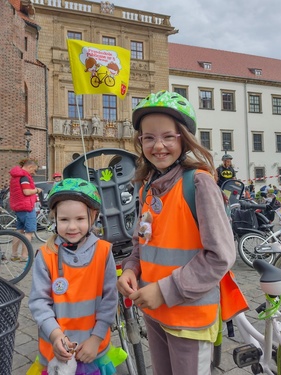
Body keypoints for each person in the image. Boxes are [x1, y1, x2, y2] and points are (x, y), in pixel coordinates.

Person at [117, 90, 238, 375]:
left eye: (168, 136)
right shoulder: (147, 186)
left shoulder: (198, 184)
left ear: (183, 138)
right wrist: (131, 269)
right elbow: (142, 241)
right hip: (154, 312)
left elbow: (220, 256)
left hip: (189, 317)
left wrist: (164, 290)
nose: (158, 145)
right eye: (149, 137)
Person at [28, 178, 118, 373]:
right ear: (54, 219)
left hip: (92, 347)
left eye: (79, 219)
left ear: (92, 217)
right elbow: (39, 302)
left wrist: (96, 338)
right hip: (57, 350)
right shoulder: (45, 255)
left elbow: (110, 300)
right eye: (64, 220)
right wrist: (55, 336)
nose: (72, 227)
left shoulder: (103, 252)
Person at [9, 158, 42, 261]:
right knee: (29, 232)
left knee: (19, 231)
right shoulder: (24, 177)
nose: (34, 173)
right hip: (27, 207)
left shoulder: (15, 177)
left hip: (18, 207)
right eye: (34, 170)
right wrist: (37, 190)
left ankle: (14, 254)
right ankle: (24, 256)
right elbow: (27, 192)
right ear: (30, 167)